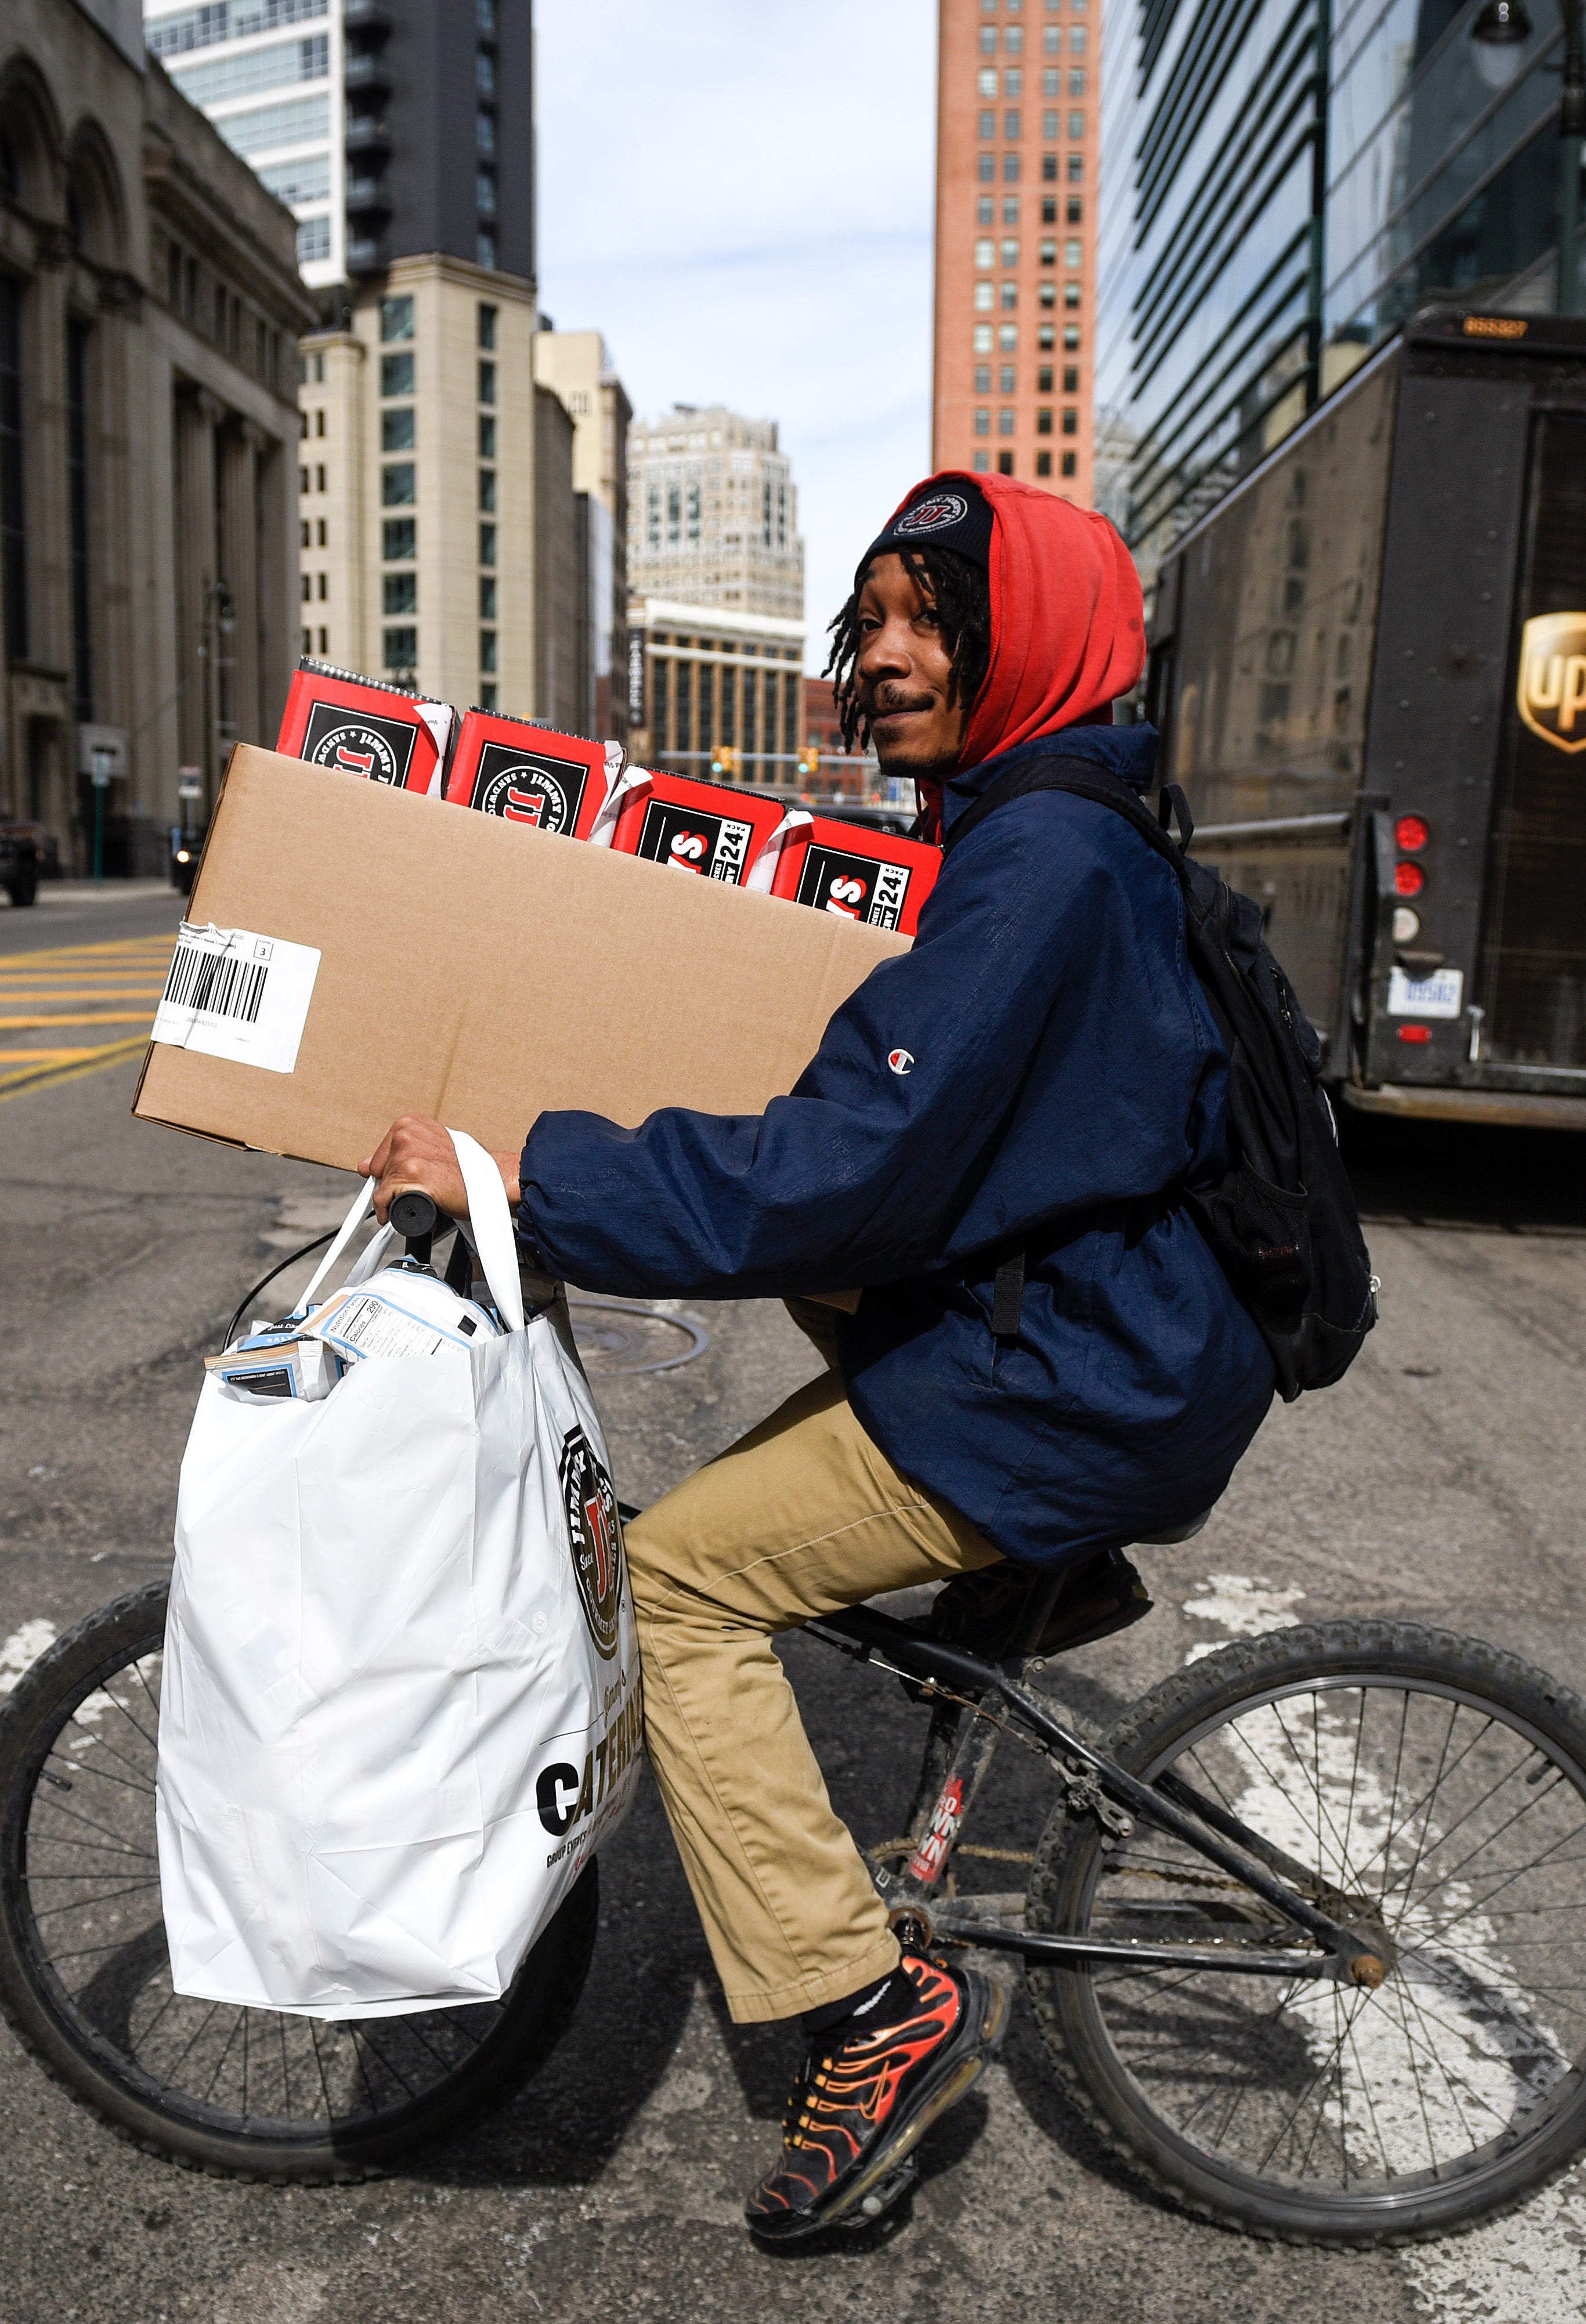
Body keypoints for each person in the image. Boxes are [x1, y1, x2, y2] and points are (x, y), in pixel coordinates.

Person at [363, 470, 1277, 2238]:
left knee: (684, 1584)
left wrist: (524, 1177)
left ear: (1041, 638)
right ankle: (1028, 1564)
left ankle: (871, 2007)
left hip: (1074, 1375)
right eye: (874, 621)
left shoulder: (1040, 861)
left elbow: (852, 1172)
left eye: (938, 617)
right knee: (808, 1266)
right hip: (1105, 1334)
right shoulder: (1055, 822)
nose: (894, 652)